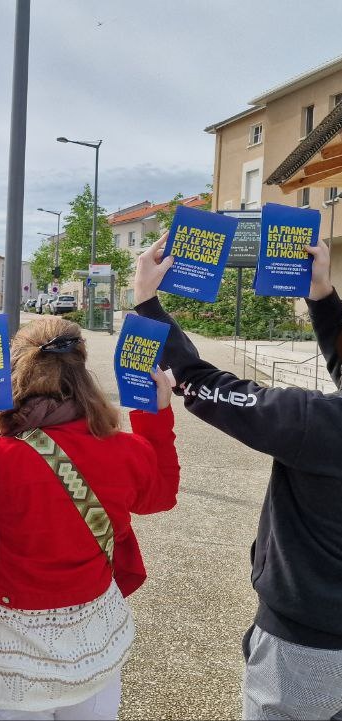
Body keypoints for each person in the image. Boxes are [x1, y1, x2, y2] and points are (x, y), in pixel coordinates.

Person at [0, 316, 180, 721]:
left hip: (7, 657)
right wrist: (155, 415)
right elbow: (161, 497)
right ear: (83, 375)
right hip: (94, 649)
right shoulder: (124, 451)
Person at [133, 236, 342, 720]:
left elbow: (203, 383)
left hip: (306, 649)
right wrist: (324, 300)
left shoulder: (316, 425)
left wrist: (146, 303)